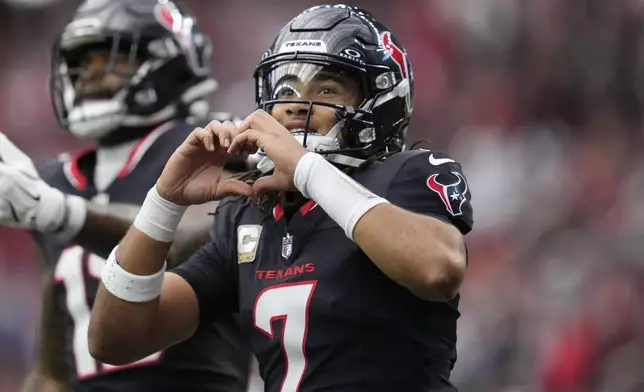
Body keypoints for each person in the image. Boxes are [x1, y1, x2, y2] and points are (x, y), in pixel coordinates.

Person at [89, 4, 473, 391]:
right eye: (285, 89)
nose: (293, 104)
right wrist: (163, 202)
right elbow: (115, 340)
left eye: (325, 89)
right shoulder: (250, 216)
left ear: (379, 104)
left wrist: (306, 169)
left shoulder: (404, 174)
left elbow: (439, 270)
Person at [0, 0, 251, 391]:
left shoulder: (205, 143)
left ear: (171, 62)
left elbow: (184, 242)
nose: (88, 77)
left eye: (107, 60)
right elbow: (55, 360)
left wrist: (62, 213)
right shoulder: (53, 181)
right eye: (80, 63)